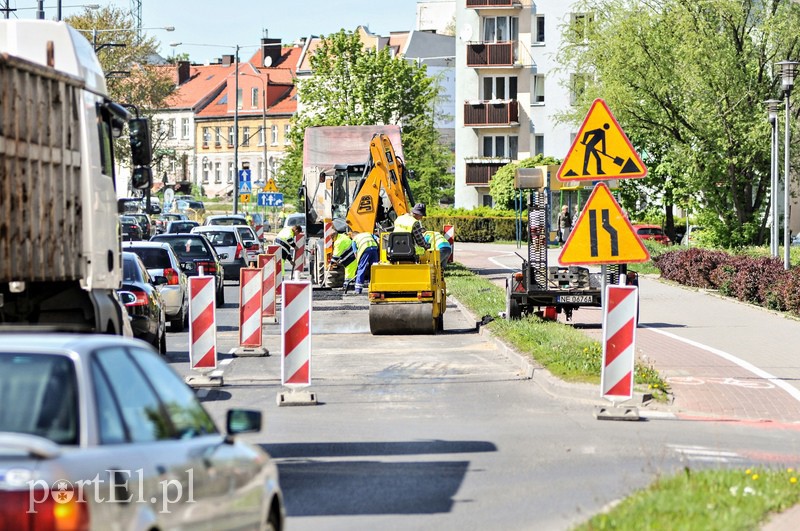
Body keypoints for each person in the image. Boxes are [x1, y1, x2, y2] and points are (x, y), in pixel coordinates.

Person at [326, 224, 356, 289]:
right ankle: (348, 286)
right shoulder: (342, 236)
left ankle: (348, 287)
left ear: (333, 236)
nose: (331, 240)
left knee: (349, 274)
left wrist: (330, 264)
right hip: (352, 256)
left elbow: (335, 256)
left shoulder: (339, 242)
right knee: (350, 273)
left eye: (331, 238)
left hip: (351, 258)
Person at [350, 230, 378, 294]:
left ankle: (358, 289)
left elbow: (355, 253)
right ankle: (373, 286)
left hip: (364, 250)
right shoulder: (368, 234)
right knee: (374, 268)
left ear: (353, 236)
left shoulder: (354, 240)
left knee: (361, 268)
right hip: (374, 248)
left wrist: (358, 263)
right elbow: (378, 239)